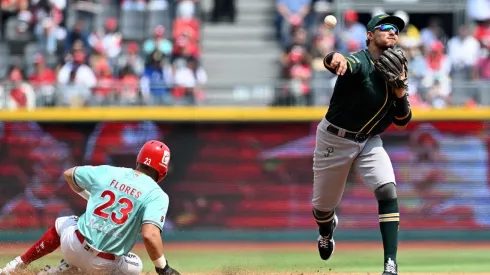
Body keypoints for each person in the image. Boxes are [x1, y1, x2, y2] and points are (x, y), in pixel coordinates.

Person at [312, 14, 411, 275]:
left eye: (396, 30)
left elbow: (403, 121)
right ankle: (326, 229)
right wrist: (334, 58)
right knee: (322, 208)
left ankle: (391, 263)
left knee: (387, 190)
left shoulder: (397, 69)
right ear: (369, 35)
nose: (393, 32)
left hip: (368, 141)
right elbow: (338, 62)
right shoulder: (360, 61)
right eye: (386, 28)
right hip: (335, 138)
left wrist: (401, 92)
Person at [1, 140, 180, 275]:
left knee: (64, 222)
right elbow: (150, 235)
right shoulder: (157, 195)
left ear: (139, 159)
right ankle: (69, 270)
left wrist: (89, 197)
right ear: (162, 170)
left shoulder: (111, 171)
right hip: (103, 265)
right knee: (136, 265)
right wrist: (163, 268)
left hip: (73, 247)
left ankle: (17, 265)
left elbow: (69, 174)